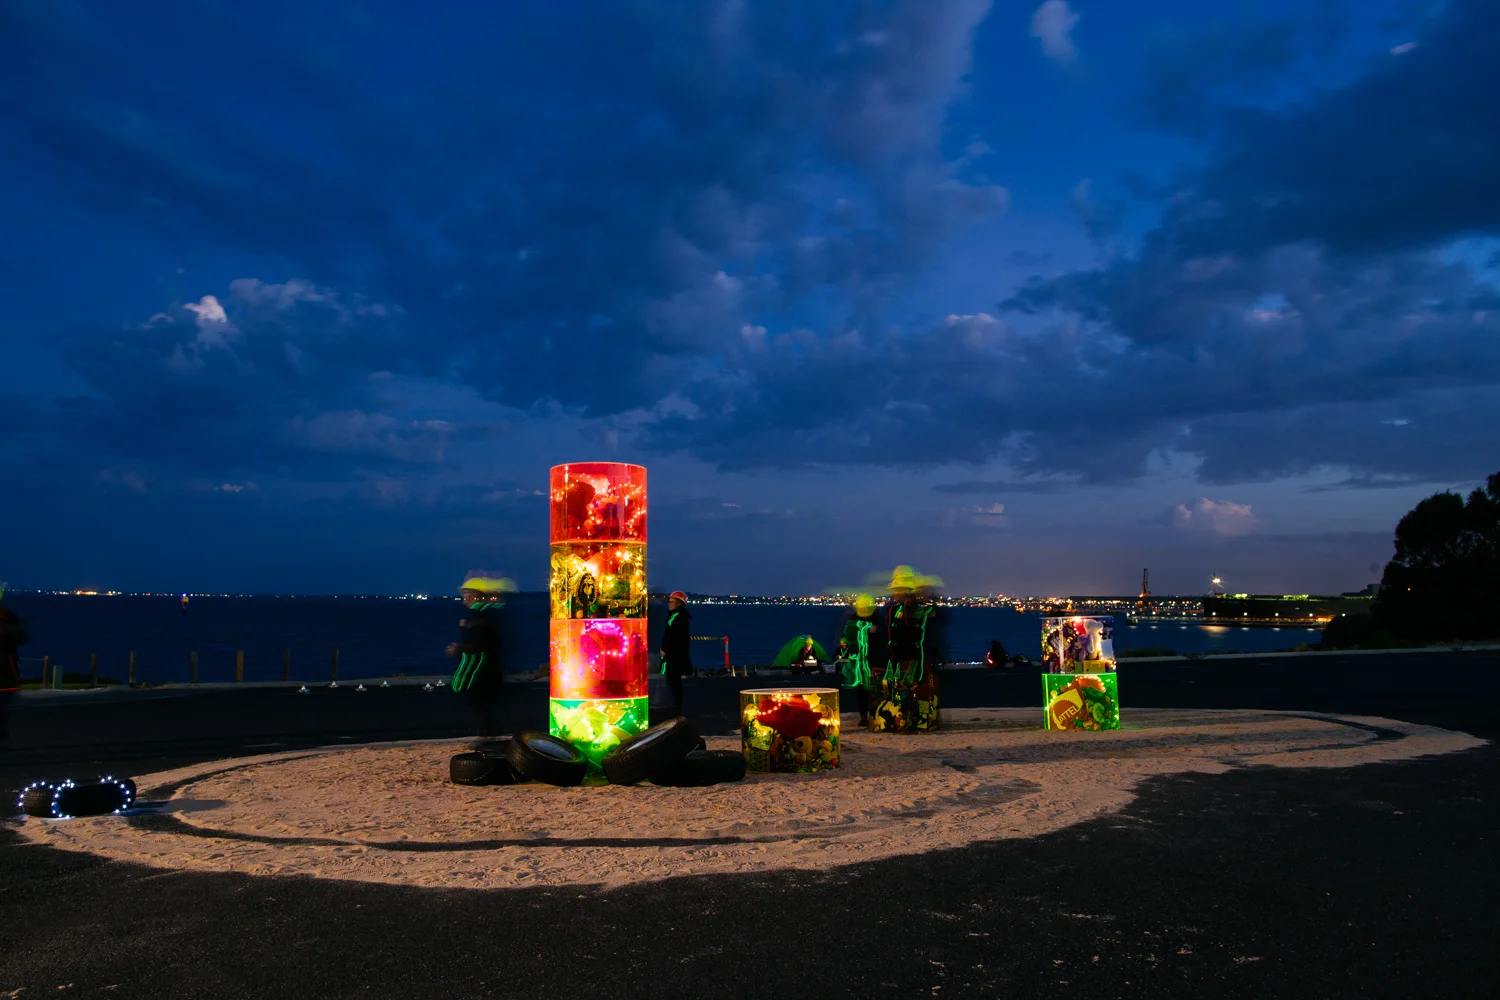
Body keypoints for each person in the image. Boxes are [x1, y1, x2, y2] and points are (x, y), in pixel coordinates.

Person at [445, 571, 514, 742]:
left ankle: (487, 737)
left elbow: (483, 644)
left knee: (483, 704)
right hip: (487, 669)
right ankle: (487, 736)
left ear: (476, 596)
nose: (464, 599)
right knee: (483, 704)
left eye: (467, 595)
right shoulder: (479, 616)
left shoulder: (481, 617)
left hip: (485, 670)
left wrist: (460, 646)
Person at [836, 593, 882, 727]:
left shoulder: (853, 622)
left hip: (866, 661)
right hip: (866, 661)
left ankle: (867, 716)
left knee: (866, 691)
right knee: (867, 691)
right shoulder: (872, 621)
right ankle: (867, 716)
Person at [0, 585, 26, 746]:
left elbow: (19, 635)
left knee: (1, 707)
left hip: (4, 674)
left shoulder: (7, 618)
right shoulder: (8, 617)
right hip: (6, 673)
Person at [659, 590, 692, 715]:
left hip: (673, 656)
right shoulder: (679, 616)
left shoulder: (675, 617)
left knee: (673, 680)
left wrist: (666, 650)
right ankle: (676, 704)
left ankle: (676, 706)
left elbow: (672, 636)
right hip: (676, 655)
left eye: (672, 602)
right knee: (674, 681)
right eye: (669, 601)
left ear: (679, 603)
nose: (669, 604)